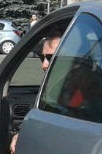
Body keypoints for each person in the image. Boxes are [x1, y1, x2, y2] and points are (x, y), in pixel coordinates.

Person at [10, 26, 63, 154]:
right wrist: (21, 134)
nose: (44, 65)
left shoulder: (82, 89)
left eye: (50, 58)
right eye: (42, 57)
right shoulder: (55, 86)